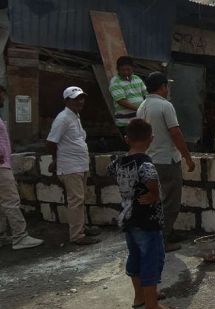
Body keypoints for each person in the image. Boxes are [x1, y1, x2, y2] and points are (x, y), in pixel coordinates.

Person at [107, 118, 179, 309]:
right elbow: (151, 180)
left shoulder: (117, 163)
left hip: (128, 216)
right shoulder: (146, 164)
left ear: (126, 139)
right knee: (151, 259)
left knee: (136, 256)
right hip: (147, 218)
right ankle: (152, 306)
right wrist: (154, 195)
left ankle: (140, 296)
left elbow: (110, 172)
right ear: (151, 139)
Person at [137, 72, 195, 252]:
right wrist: (187, 157)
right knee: (171, 202)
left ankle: (165, 233)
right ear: (162, 87)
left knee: (157, 201)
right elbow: (175, 133)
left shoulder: (142, 107)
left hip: (150, 159)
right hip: (167, 160)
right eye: (166, 86)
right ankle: (162, 239)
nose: (167, 89)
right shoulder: (165, 106)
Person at [46, 87, 101, 245]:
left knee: (80, 198)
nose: (80, 101)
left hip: (79, 164)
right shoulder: (63, 118)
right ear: (66, 101)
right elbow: (51, 142)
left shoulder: (74, 116)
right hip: (70, 166)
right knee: (76, 200)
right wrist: (56, 160)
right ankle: (77, 235)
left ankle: (81, 227)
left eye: (81, 98)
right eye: (75, 99)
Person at [0, 85, 43, 250]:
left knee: (2, 203)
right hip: (2, 166)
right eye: (1, 96)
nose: (3, 99)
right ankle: (20, 237)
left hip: (3, 164)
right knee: (11, 201)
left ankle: (2, 235)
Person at [109, 56, 147, 138]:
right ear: (117, 69)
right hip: (125, 123)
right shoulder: (115, 82)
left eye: (128, 69)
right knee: (132, 146)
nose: (126, 72)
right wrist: (140, 109)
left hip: (139, 120)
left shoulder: (137, 79)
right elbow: (121, 101)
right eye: (123, 70)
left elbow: (146, 94)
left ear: (132, 68)